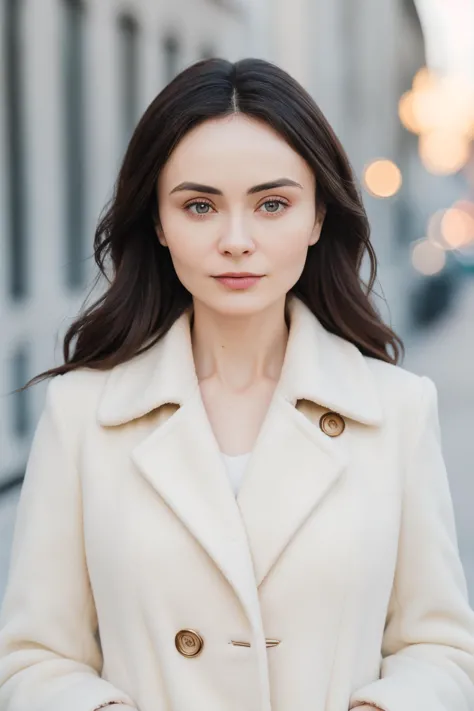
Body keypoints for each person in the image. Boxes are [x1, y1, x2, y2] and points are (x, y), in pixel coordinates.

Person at [0, 57, 473, 711]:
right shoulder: (83, 412)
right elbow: (33, 657)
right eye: (200, 205)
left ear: (316, 219)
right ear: (159, 224)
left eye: (272, 203)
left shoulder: (395, 409)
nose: (237, 239)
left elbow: (442, 649)